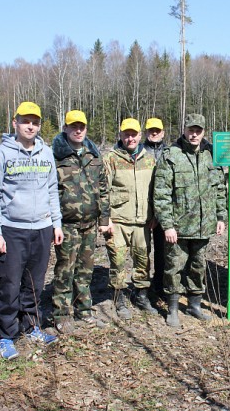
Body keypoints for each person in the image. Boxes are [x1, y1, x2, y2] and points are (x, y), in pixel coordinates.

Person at [0, 101, 63, 360]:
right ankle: (6, 336)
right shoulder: (0, 154)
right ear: (14, 122)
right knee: (8, 285)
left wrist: (56, 223)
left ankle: (31, 327)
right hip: (11, 229)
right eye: (25, 121)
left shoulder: (46, 153)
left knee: (34, 283)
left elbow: (52, 189)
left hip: (41, 228)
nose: (30, 126)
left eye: (35, 122)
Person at [153, 113, 227, 327]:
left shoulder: (211, 155)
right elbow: (161, 194)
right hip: (178, 227)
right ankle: (173, 308)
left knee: (198, 267)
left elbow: (219, 188)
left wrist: (220, 216)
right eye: (190, 130)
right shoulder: (171, 155)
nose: (194, 134)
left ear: (203, 131)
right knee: (173, 268)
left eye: (198, 130)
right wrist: (167, 225)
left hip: (204, 226)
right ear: (184, 130)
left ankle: (194, 305)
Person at [51, 110, 110, 333]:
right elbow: (50, 191)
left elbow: (103, 189)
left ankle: (84, 310)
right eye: (73, 126)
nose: (78, 130)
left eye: (82, 127)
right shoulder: (56, 156)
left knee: (85, 270)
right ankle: (61, 314)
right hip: (67, 224)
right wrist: (54, 223)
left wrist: (104, 218)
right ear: (65, 128)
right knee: (65, 270)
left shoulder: (93, 155)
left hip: (90, 224)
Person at [104, 118, 158, 319]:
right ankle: (119, 299)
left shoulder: (149, 159)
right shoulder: (111, 159)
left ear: (140, 135)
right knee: (117, 262)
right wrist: (105, 219)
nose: (130, 138)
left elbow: (155, 190)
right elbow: (103, 191)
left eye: (134, 134)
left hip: (143, 222)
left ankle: (141, 296)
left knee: (142, 261)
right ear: (120, 135)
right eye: (126, 134)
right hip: (118, 221)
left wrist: (155, 215)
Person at [143, 117, 167, 297]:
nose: (154, 133)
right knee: (142, 250)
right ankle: (142, 285)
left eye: (157, 130)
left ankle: (159, 282)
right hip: (143, 207)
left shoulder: (170, 151)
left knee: (163, 249)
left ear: (163, 133)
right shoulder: (139, 150)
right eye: (151, 130)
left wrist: (160, 214)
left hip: (163, 209)